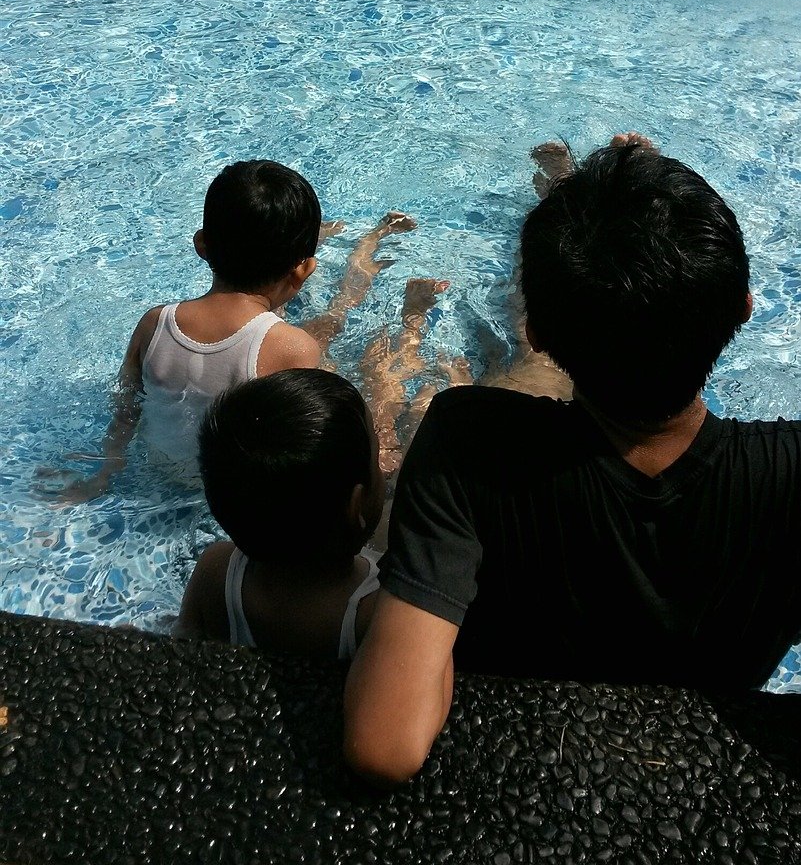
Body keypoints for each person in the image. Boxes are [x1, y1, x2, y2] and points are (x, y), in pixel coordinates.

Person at [343, 135, 801, 785]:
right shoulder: (788, 475)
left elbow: (384, 746)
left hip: (521, 769)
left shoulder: (471, 446)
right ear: (743, 311)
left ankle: (563, 190)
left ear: (534, 329)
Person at [42, 159, 417, 502]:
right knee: (333, 320)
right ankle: (362, 246)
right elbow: (315, 440)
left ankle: (306, 243)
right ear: (303, 271)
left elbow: (125, 407)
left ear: (201, 246)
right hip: (239, 492)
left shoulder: (154, 323)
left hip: (160, 471)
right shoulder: (292, 348)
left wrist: (104, 473)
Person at [175, 369, 386, 657]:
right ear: (356, 505)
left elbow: (181, 648)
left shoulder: (216, 573)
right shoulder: (374, 611)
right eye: (377, 457)